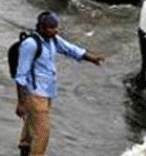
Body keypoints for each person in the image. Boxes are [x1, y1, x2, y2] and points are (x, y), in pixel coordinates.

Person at [14, 11, 105, 156]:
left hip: (47, 92)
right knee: (42, 134)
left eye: (56, 27)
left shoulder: (53, 39)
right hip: (35, 94)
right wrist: (21, 103)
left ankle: (24, 152)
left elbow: (71, 49)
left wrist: (91, 58)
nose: (56, 31)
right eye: (52, 28)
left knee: (31, 130)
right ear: (42, 28)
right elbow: (20, 76)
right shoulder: (30, 44)